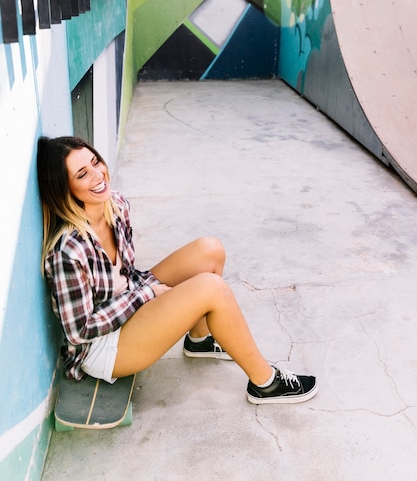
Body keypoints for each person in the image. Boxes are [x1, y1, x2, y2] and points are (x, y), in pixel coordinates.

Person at [37, 135, 318, 404]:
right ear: (65, 189)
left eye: (96, 162)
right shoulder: (68, 251)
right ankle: (266, 383)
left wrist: (147, 293)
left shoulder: (116, 206)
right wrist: (147, 295)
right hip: (103, 347)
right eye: (82, 174)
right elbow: (79, 331)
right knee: (212, 288)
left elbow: (128, 276)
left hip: (130, 300)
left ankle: (199, 341)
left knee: (210, 250)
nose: (98, 175)